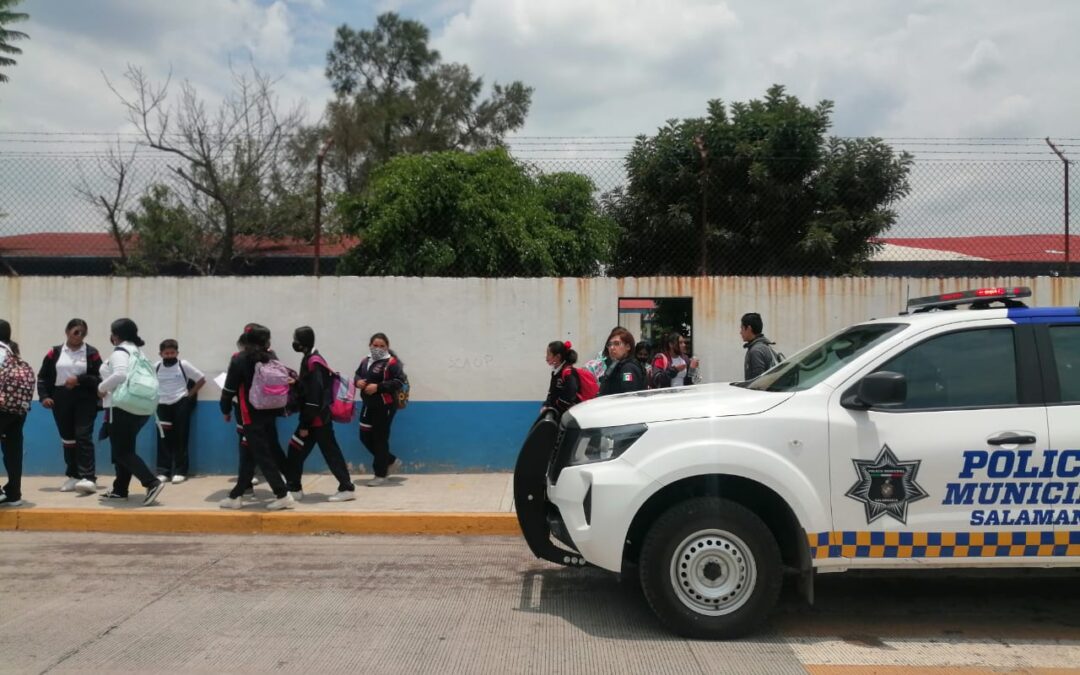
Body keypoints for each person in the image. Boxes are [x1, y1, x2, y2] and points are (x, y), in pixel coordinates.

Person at [219, 324, 293, 510]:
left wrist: (225, 410)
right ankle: (236, 495)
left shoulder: (240, 360)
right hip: (269, 411)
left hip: (249, 416)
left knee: (262, 455)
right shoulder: (270, 357)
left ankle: (282, 494)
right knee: (248, 454)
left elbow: (228, 391)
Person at [97, 319, 166, 506]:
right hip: (139, 408)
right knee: (125, 450)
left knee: (121, 452)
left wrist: (101, 388)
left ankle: (151, 482)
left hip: (121, 407)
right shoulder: (138, 352)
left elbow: (120, 374)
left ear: (116, 335)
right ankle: (120, 489)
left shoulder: (120, 352)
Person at [284, 326, 356, 502]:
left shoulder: (314, 362)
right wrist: (297, 383)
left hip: (315, 419)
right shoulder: (311, 359)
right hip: (318, 418)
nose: (294, 342)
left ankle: (345, 487)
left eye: (296, 339)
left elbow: (314, 396)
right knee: (320, 451)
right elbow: (310, 387)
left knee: (300, 450)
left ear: (303, 342)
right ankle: (296, 488)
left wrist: (305, 425)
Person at [37, 318, 103, 494]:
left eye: (83, 332)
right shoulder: (55, 353)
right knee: (68, 438)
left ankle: (88, 477)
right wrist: (44, 396)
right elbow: (43, 377)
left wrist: (79, 380)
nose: (79, 335)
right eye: (76, 332)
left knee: (83, 436)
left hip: (85, 399)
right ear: (67, 332)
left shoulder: (91, 353)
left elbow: (100, 377)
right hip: (61, 398)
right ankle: (73, 475)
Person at [355, 333, 405, 487]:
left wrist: (378, 387)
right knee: (364, 437)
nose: (378, 348)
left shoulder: (392, 362)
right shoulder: (365, 360)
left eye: (382, 346)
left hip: (385, 406)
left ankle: (380, 475)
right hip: (368, 404)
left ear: (387, 346)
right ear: (370, 345)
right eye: (375, 345)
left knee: (380, 439)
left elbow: (399, 381)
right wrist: (358, 382)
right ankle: (390, 460)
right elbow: (357, 374)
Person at [154, 339, 205, 484]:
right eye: (166, 353)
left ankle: (180, 471)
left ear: (177, 352)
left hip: (180, 404)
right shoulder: (156, 366)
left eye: (172, 353)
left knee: (181, 437)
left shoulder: (183, 365)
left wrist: (190, 394)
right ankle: (163, 471)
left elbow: (201, 379)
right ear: (161, 354)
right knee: (163, 438)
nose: (170, 355)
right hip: (161, 405)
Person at [0, 321, 27, 507]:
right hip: (17, 408)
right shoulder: (12, 352)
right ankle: (14, 494)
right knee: (13, 450)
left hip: (2, 407)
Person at [598, 328, 646, 396]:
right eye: (609, 344)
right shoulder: (616, 365)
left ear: (628, 347)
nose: (612, 347)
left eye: (617, 344)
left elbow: (629, 396)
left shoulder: (628, 368)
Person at [542, 340, 580, 417]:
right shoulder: (555, 372)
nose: (546, 357)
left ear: (558, 357)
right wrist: (546, 405)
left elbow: (570, 393)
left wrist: (555, 407)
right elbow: (552, 392)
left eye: (549, 354)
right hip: (557, 412)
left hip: (567, 414)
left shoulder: (568, 372)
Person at [741, 312, 779, 380]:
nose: (740, 332)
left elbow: (757, 382)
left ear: (749, 328)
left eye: (742, 328)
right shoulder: (765, 345)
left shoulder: (756, 351)